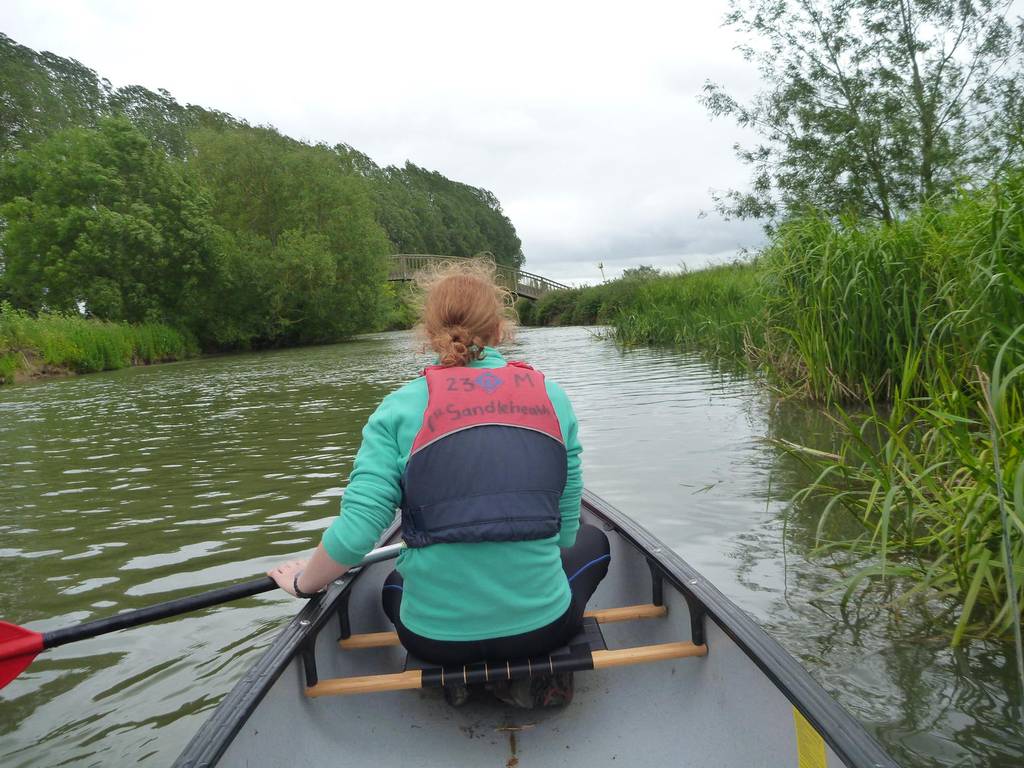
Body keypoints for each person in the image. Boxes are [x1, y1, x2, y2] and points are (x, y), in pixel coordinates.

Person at [267, 260, 610, 706]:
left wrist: (302, 584)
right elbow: (565, 531)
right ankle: (527, 676)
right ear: (501, 329)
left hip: (433, 641)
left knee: (392, 585)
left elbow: (354, 538)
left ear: (426, 333)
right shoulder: (551, 395)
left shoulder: (397, 407)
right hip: (540, 630)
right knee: (593, 542)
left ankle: (459, 680)